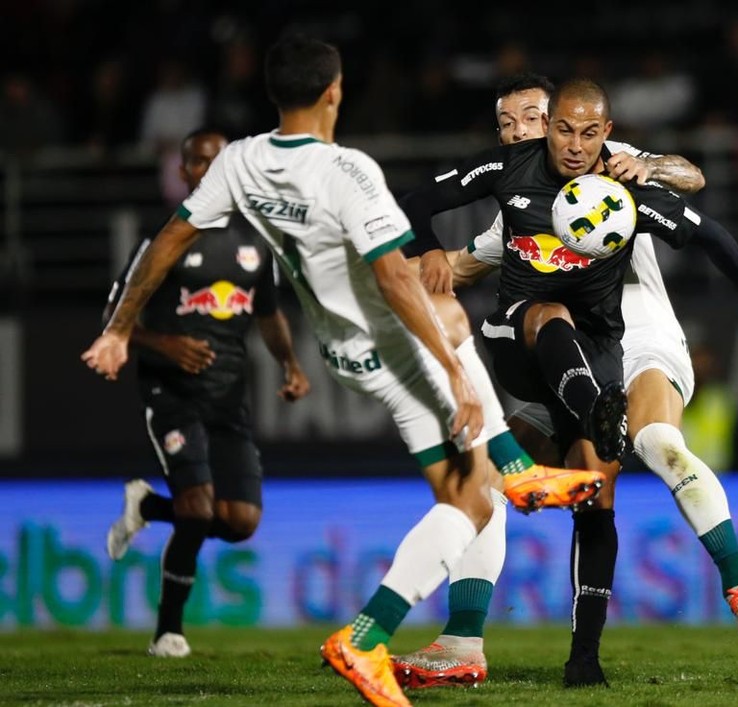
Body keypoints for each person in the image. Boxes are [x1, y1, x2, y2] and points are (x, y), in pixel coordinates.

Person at [82, 36, 601, 707]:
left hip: (342, 351)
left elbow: (168, 240)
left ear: (277, 93)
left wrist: (120, 328)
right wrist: (456, 370)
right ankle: (509, 469)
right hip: (391, 341)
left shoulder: (239, 160)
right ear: (335, 91)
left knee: (471, 500)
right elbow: (391, 274)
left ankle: (392, 626)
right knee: (443, 312)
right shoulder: (348, 172)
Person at [397, 76, 738, 689]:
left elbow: (692, 179)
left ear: (565, 120)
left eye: (528, 116)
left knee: (655, 443)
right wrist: (425, 262)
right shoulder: (514, 194)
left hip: (638, 325)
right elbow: (456, 260)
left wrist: (647, 164)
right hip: (558, 346)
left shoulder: (613, 167)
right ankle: (464, 639)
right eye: (506, 123)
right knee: (488, 481)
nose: (517, 130)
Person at [101, 126, 311, 658]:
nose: (205, 171)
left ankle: (147, 507)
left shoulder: (254, 242)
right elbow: (115, 315)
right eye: (195, 162)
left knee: (240, 521)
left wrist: (289, 363)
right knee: (196, 508)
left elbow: (268, 315)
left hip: (227, 395)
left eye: (215, 163)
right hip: (170, 391)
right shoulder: (166, 236)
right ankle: (167, 632)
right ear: (183, 171)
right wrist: (164, 344)